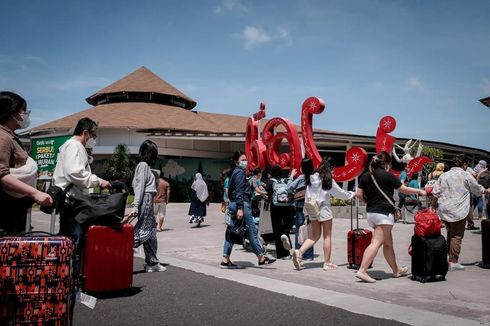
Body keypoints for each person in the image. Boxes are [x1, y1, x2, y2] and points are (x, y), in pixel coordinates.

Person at [355, 151, 426, 283]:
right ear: (387, 164)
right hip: (384, 214)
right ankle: (362, 270)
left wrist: (368, 202)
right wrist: (419, 191)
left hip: (371, 213)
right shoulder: (388, 176)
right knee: (376, 242)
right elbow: (404, 189)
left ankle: (396, 270)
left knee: (388, 244)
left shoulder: (365, 175)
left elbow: (358, 194)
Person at [0, 91, 52, 235]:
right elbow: (2, 175)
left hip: (16, 214)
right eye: (23, 110)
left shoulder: (12, 137)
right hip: (6, 216)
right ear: (12, 112)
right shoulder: (3, 137)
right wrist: (34, 193)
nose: (26, 114)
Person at [53, 117, 111, 244]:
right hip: (71, 202)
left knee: (72, 238)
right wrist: (99, 181)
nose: (94, 140)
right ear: (85, 133)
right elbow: (75, 173)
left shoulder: (71, 145)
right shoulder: (74, 146)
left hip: (72, 200)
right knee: (74, 239)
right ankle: (73, 263)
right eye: (93, 136)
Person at [292, 157, 354, 271]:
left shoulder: (311, 176)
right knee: (327, 236)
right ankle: (327, 263)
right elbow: (339, 193)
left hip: (312, 208)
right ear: (331, 167)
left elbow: (307, 194)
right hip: (324, 209)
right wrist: (351, 194)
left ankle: (299, 252)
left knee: (314, 236)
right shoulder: (327, 178)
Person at [432, 154, 490, 272]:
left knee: (450, 232)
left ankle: (448, 256)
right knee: (457, 236)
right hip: (458, 210)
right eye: (466, 164)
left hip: (444, 210)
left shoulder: (444, 175)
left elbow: (435, 192)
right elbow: (477, 189)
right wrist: (485, 190)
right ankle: (453, 262)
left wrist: (433, 205)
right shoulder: (465, 175)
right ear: (464, 164)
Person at [221, 151, 275, 268]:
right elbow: (240, 191)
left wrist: (233, 203)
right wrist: (240, 208)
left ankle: (226, 259)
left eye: (246, 160)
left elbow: (230, 191)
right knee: (252, 232)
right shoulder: (239, 173)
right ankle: (261, 257)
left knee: (232, 230)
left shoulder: (233, 172)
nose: (245, 162)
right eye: (243, 160)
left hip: (236, 203)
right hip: (243, 205)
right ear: (237, 161)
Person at [125, 140, 166, 272]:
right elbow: (139, 186)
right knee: (145, 230)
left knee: (152, 233)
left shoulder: (143, 166)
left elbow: (136, 184)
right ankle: (122, 246)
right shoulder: (143, 166)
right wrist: (136, 205)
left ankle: (153, 263)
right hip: (147, 199)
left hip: (148, 199)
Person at [287, 158, 314, 260]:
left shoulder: (301, 177)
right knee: (310, 231)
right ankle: (309, 255)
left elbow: (289, 187)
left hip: (300, 206)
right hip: (311, 207)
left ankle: (299, 253)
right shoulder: (314, 177)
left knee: (300, 230)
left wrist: (291, 176)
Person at [265, 165, 295, 259]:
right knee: (287, 225)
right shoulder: (285, 180)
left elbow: (269, 194)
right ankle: (285, 234)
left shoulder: (270, 182)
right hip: (287, 206)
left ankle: (283, 254)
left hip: (275, 207)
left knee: (277, 228)